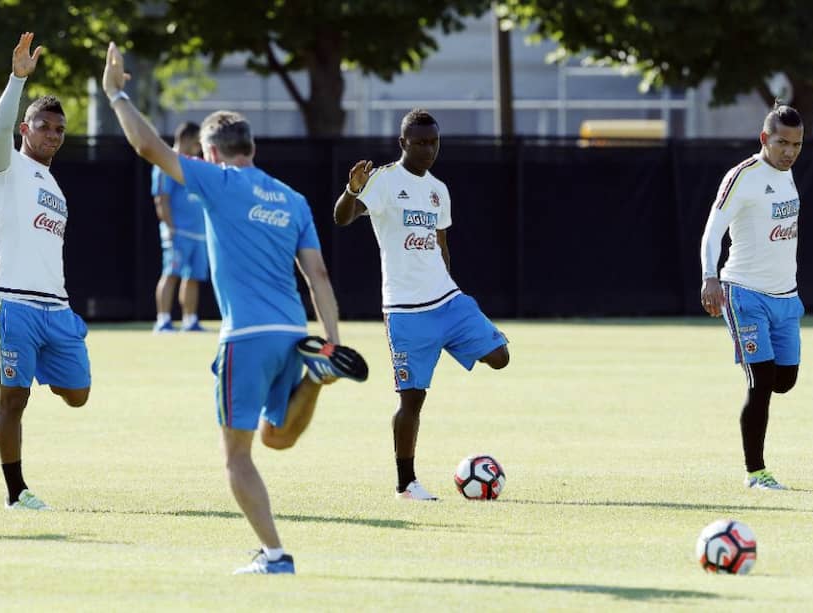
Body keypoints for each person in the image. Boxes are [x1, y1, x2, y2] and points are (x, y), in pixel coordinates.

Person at [102, 42, 368, 574]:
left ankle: (275, 555)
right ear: (252, 147)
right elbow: (317, 275)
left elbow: (148, 147)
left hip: (245, 337)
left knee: (237, 457)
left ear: (211, 153)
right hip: (292, 333)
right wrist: (331, 342)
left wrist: (116, 95)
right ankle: (317, 376)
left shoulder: (217, 180)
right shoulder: (292, 199)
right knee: (276, 436)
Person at [334, 109, 510, 501]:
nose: (428, 149)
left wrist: (448, 282)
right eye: (420, 143)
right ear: (403, 143)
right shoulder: (384, 181)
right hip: (405, 310)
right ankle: (406, 484)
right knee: (412, 399)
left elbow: (441, 244)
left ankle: (447, 340)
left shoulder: (438, 190)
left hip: (447, 299)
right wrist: (352, 191)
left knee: (500, 356)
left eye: (434, 142)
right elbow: (342, 218)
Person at [0, 32, 91, 511]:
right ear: (26, 129)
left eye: (59, 130)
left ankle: (37, 364)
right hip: (13, 303)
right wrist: (16, 80)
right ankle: (16, 492)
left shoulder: (53, 183)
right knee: (14, 400)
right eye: (44, 127)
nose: (52, 135)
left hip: (56, 308)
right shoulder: (7, 167)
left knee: (78, 393)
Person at [699, 102, 805, 491]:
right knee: (760, 381)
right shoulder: (742, 176)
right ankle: (756, 472)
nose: (789, 152)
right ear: (764, 138)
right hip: (744, 293)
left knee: (784, 380)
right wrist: (710, 277)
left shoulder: (787, 175)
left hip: (786, 297)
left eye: (796, 144)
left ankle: (760, 368)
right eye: (782, 143)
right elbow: (713, 231)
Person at [150, 121, 210, 333]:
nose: (199, 149)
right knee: (171, 273)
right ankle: (163, 320)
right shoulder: (166, 163)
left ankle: (190, 320)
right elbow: (161, 198)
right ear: (185, 139)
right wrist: (170, 228)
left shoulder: (193, 165)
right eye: (196, 143)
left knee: (193, 277)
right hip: (177, 232)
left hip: (198, 234)